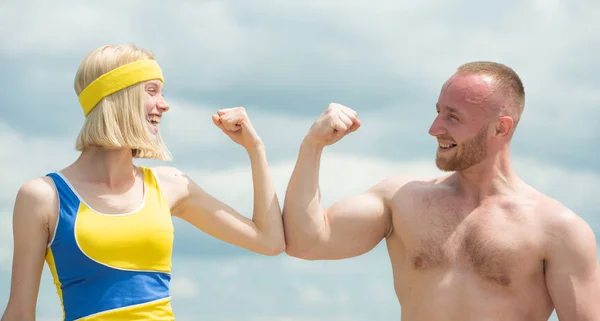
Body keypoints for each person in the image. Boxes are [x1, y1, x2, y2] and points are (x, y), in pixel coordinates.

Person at [282, 61, 600, 321]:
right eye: (438, 112)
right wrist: (313, 145)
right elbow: (305, 242)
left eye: (452, 117)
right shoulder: (402, 199)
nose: (435, 128)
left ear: (500, 128)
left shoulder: (558, 230)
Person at [1, 44, 285, 321]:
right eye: (152, 91)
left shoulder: (171, 185)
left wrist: (255, 148)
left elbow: (269, 241)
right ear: (117, 95)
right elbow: (20, 313)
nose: (164, 104)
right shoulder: (43, 197)